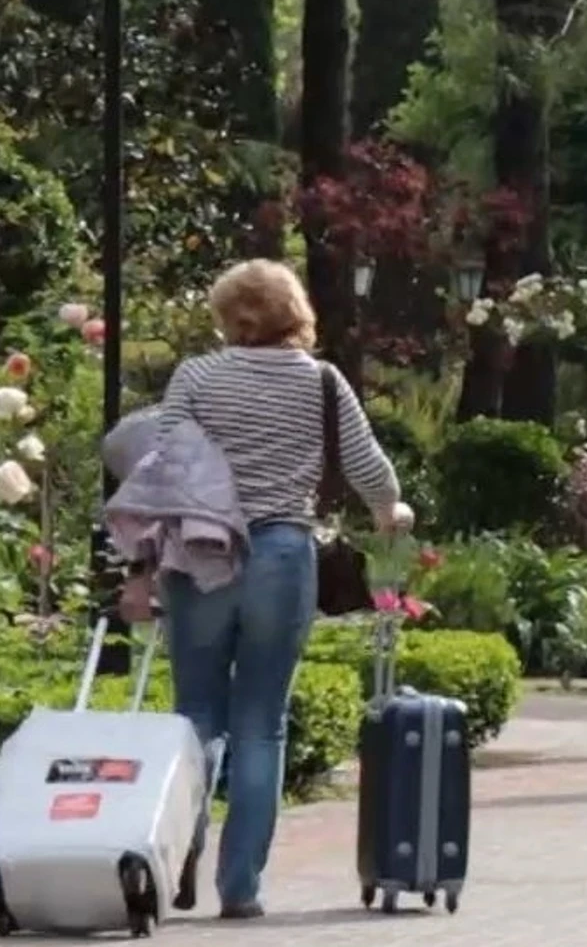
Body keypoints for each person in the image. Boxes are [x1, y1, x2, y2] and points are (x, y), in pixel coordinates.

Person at [154, 259, 403, 920]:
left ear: (227, 314)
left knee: (196, 717)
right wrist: (390, 512)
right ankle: (240, 890)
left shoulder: (197, 376)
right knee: (261, 725)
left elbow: (161, 456)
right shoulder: (321, 382)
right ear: (295, 312)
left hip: (202, 550)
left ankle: (176, 857)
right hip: (282, 551)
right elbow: (369, 468)